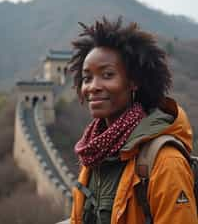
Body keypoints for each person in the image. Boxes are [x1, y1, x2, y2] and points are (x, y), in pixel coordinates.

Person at [68, 17, 197, 224]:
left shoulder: (165, 162)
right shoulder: (94, 154)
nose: (93, 86)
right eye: (87, 78)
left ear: (134, 81)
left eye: (107, 75)